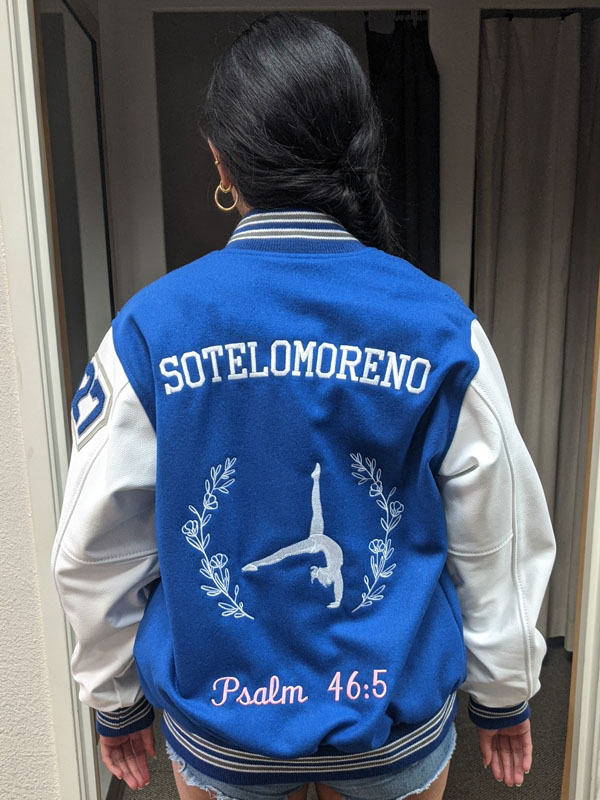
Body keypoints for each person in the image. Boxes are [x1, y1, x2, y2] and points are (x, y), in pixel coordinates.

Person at [51, 12, 556, 800]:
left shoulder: (152, 330)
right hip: (389, 732)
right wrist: (505, 691)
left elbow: (94, 548)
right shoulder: (439, 326)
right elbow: (498, 531)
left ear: (221, 159)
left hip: (226, 737)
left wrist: (115, 702)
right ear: (359, 148)